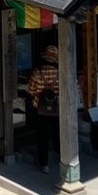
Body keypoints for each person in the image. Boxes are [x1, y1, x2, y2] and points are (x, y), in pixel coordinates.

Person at [27, 44, 61, 173]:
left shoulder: (38, 72)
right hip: (56, 109)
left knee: (42, 137)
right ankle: (63, 159)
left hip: (41, 110)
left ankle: (44, 164)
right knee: (58, 134)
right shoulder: (60, 72)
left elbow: (30, 89)